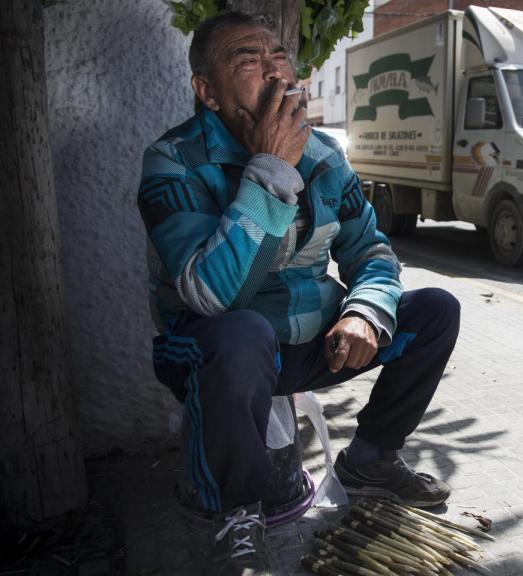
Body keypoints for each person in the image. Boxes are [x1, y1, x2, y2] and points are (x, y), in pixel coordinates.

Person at [136, 12, 459, 573]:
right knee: (242, 332)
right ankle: (235, 513)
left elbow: (374, 254)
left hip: (311, 345)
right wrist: (270, 168)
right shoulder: (173, 161)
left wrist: (364, 312)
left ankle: (370, 458)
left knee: (434, 312)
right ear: (206, 92)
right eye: (248, 60)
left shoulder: (327, 157)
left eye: (279, 57)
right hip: (214, 355)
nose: (273, 71)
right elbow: (212, 297)